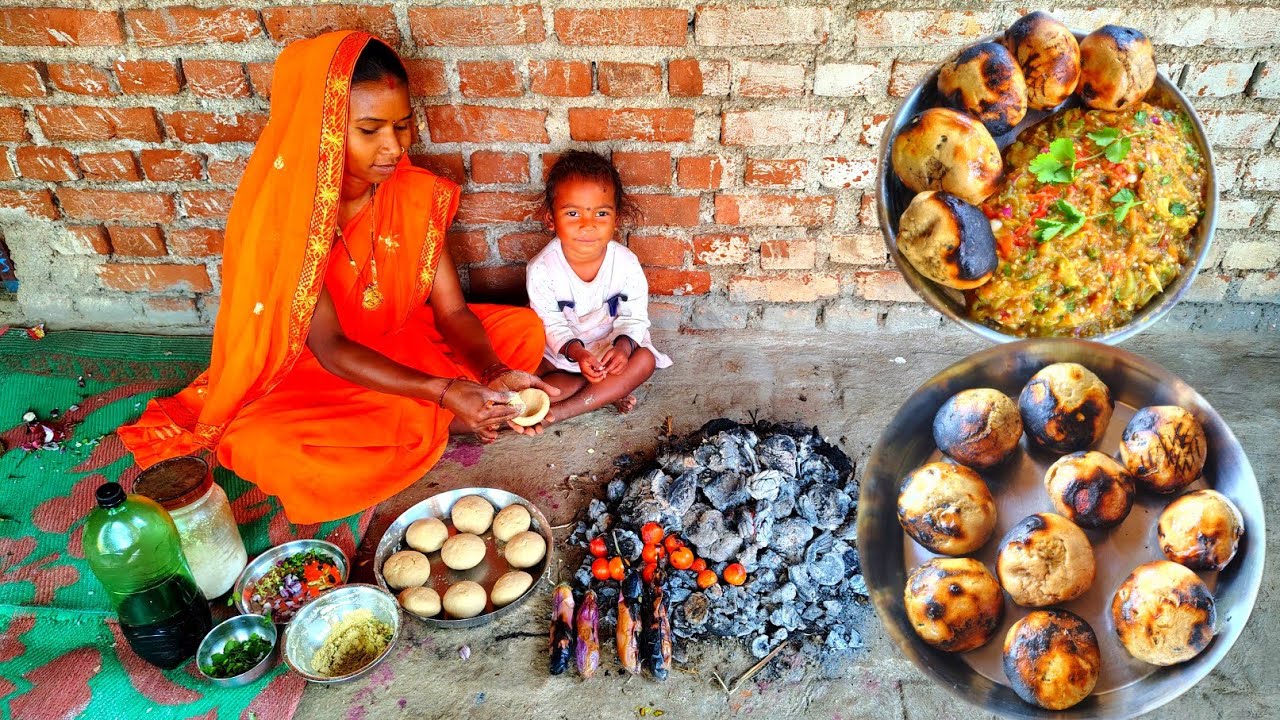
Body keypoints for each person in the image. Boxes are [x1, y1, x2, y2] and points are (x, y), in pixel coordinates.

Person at [118, 32, 556, 524]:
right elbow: (329, 348)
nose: (393, 147)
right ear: (321, 130)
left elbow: (452, 311)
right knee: (271, 450)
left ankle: (449, 412)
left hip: (404, 342)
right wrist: (443, 390)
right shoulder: (287, 221)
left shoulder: (412, 194)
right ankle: (449, 416)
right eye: (370, 130)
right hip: (319, 371)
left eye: (402, 126)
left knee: (523, 332)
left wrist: (493, 372)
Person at [526, 151, 671, 423]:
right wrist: (579, 354)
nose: (588, 226)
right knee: (541, 384)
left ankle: (564, 411)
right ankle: (608, 392)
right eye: (572, 213)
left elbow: (635, 317)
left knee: (645, 361)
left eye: (601, 213)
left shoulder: (626, 263)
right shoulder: (542, 269)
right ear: (550, 219)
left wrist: (624, 348)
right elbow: (551, 325)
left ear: (617, 218)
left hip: (611, 350)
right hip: (566, 356)